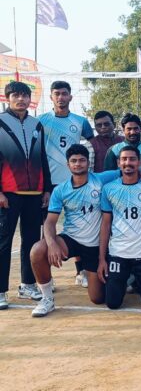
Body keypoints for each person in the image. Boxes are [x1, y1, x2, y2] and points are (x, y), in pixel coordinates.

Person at [28, 144, 141, 316]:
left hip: (96, 246)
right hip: (71, 239)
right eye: (74, 161)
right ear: (68, 164)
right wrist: (52, 243)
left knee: (98, 298)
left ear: (88, 163)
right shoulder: (60, 190)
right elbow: (50, 222)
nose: (78, 164)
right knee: (37, 250)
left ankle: (132, 276)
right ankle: (46, 298)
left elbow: (132, 169)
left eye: (82, 160)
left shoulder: (102, 179)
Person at [0, 81, 51, 309]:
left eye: (25, 95)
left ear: (30, 99)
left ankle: (28, 284)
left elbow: (43, 157)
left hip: (34, 193)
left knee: (31, 240)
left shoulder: (37, 124)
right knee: (3, 242)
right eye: (16, 95)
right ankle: (1, 291)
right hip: (8, 193)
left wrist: (47, 189)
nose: (21, 99)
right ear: (7, 98)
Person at [98, 146, 141, 309]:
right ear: (118, 163)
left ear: (139, 162)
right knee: (112, 303)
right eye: (124, 159)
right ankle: (129, 278)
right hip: (118, 253)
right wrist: (102, 259)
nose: (128, 163)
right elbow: (106, 224)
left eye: (132, 159)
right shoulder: (109, 188)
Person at [38, 81, 94, 186]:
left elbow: (94, 145)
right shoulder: (40, 120)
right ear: (51, 97)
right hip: (48, 179)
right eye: (57, 94)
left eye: (64, 94)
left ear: (70, 97)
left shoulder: (81, 121)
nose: (60, 97)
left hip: (74, 178)